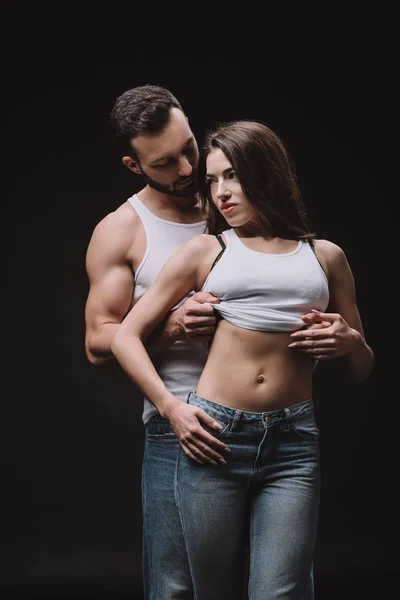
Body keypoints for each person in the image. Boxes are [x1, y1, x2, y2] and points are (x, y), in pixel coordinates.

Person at [111, 119, 374, 600]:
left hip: (294, 443)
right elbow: (125, 336)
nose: (220, 193)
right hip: (215, 437)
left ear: (266, 173)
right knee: (211, 591)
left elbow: (363, 367)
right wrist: (172, 407)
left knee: (281, 591)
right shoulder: (206, 251)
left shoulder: (325, 256)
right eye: (212, 181)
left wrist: (350, 343)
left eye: (231, 175)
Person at [84, 84, 226, 599]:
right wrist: (171, 326)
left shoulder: (234, 199)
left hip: (267, 413)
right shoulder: (122, 230)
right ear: (133, 164)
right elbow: (99, 343)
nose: (187, 169)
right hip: (178, 422)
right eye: (165, 163)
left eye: (189, 147)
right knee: (174, 587)